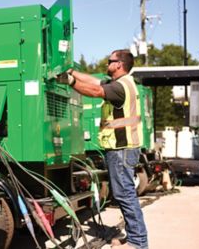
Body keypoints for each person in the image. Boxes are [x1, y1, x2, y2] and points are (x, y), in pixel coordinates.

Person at [56, 49, 148, 249]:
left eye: (110, 61)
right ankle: (135, 237)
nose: (107, 63)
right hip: (122, 149)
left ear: (119, 65)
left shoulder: (119, 87)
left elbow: (97, 91)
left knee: (125, 195)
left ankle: (138, 242)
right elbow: (95, 82)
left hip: (121, 150)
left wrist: (70, 81)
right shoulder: (122, 83)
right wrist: (72, 72)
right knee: (124, 194)